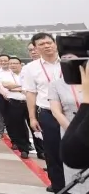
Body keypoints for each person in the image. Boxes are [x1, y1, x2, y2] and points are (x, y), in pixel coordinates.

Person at [23, 33, 65, 193]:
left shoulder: (69, 62)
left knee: (77, 147)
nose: (46, 46)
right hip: (48, 114)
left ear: (55, 43)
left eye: (49, 42)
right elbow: (31, 93)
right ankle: (58, 184)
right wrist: (32, 117)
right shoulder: (30, 69)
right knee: (52, 150)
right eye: (41, 44)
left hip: (71, 112)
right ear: (35, 48)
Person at [49, 55, 88, 193]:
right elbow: (56, 111)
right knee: (75, 166)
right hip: (70, 128)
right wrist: (74, 131)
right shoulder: (56, 84)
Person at [0, 56, 31, 157]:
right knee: (15, 124)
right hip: (10, 100)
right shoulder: (1, 74)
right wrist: (21, 88)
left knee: (33, 124)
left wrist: (17, 87)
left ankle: (39, 149)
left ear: (20, 64)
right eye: (10, 63)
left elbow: (29, 87)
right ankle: (22, 147)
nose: (11, 65)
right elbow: (6, 86)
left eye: (14, 63)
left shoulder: (27, 73)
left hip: (29, 101)